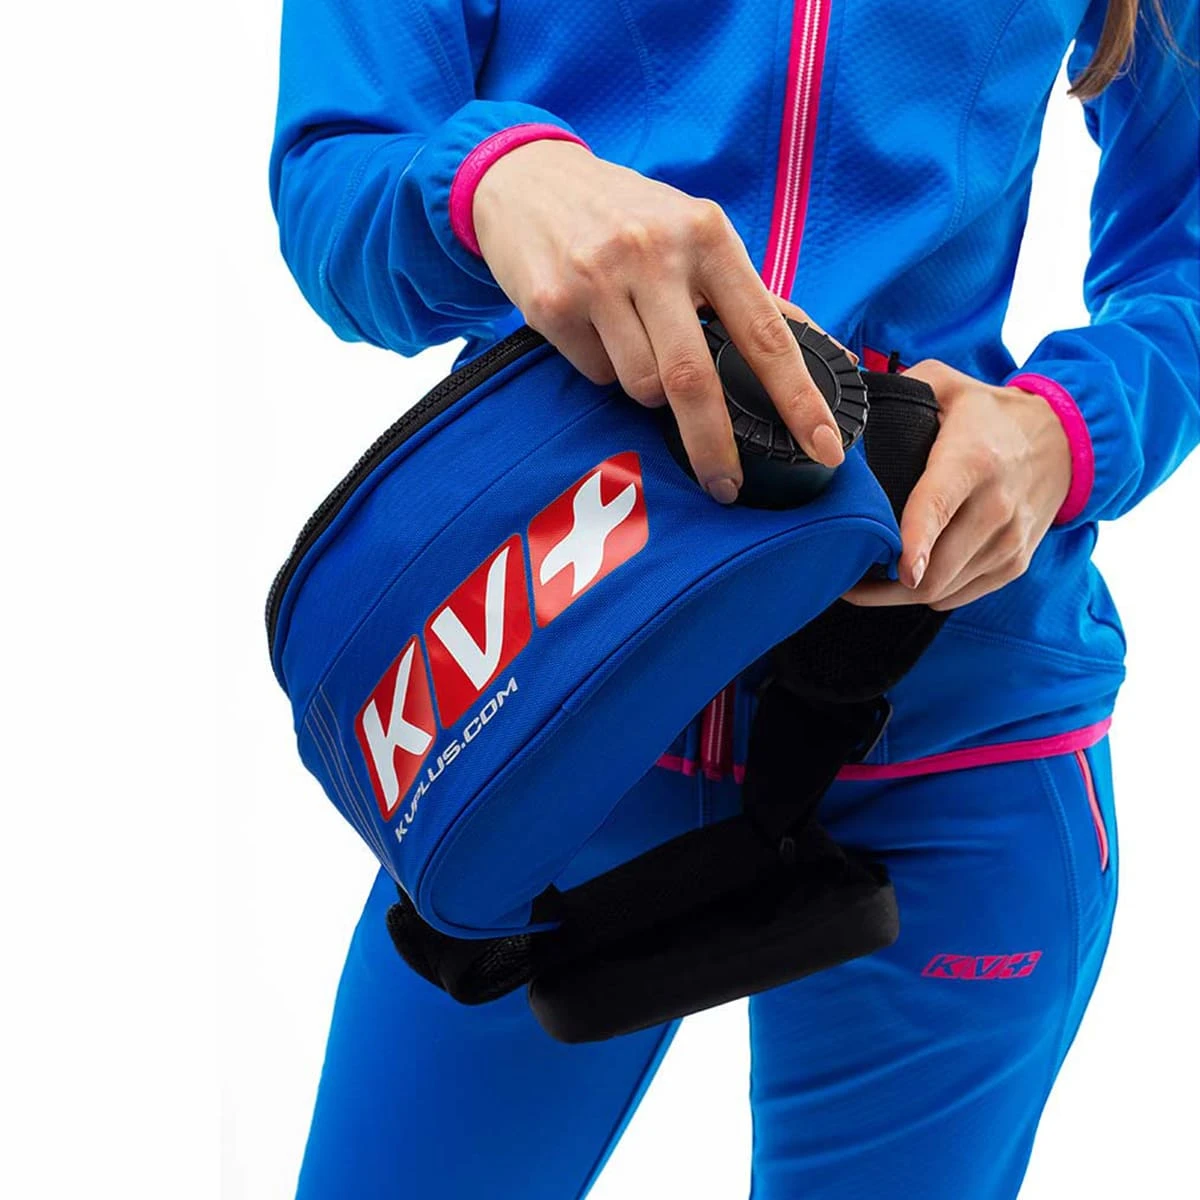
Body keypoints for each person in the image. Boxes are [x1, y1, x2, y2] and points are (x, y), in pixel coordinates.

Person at [269, 1, 1198, 1195]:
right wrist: (498, 182)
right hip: (546, 690)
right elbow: (334, 168)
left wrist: (1063, 435)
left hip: (957, 720)